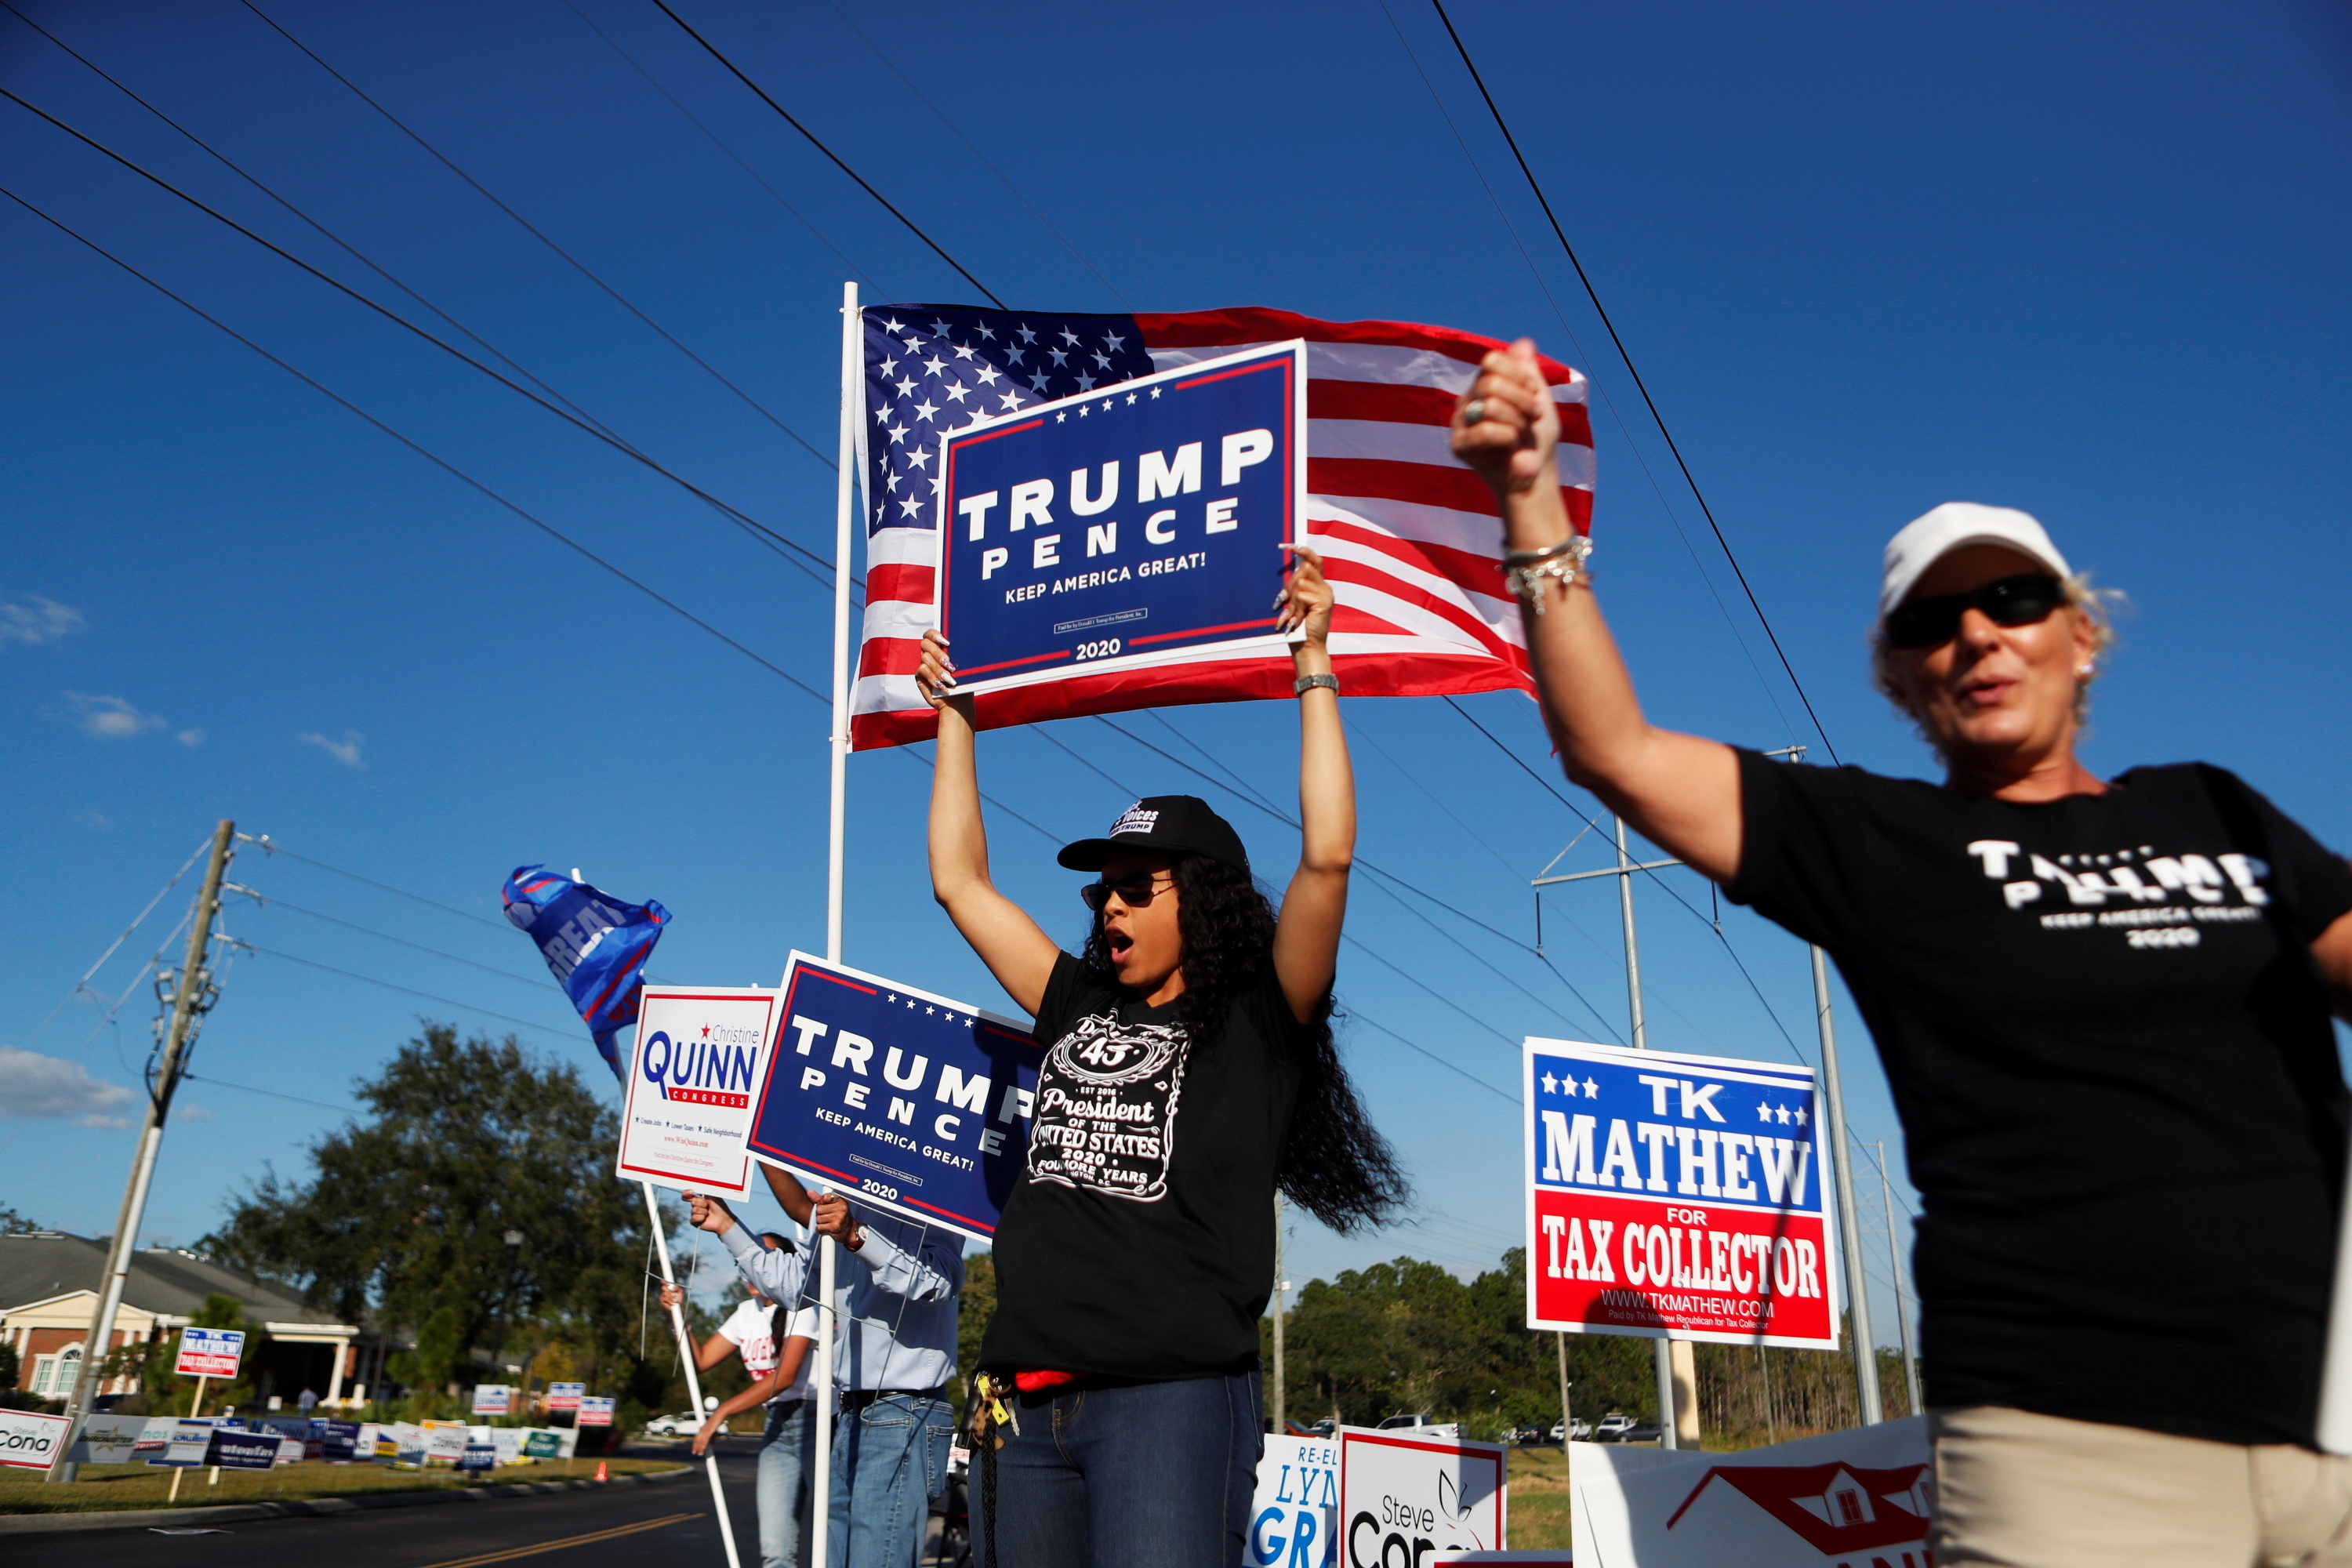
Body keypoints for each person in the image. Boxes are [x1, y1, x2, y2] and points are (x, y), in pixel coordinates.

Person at [1450, 338, 2352, 1567]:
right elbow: (1616, 751)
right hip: (2073, 1450)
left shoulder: (2216, 808)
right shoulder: (1883, 842)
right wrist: (1529, 503)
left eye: (2015, 602)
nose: (1978, 634)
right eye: (1934, 622)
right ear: (1899, 678)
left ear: (2081, 635)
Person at [914, 543, 1406, 1567]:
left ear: (1208, 900)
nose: (1113, 906)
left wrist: (1313, 663)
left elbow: (1328, 855)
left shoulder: (1262, 1018)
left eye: (1141, 886)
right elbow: (960, 884)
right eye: (1105, 891)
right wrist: (956, 717)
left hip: (1170, 1404)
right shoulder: (1076, 998)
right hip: (1024, 1403)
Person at [690, 1166, 962, 1568]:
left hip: (906, 1409)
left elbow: (939, 1281)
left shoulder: (930, 1191)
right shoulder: (841, 1203)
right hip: (848, 1412)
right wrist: (726, 1225)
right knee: (831, 1556)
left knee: (875, 1560)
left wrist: (858, 1236)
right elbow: (794, 1287)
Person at [661, 1231, 820, 1568]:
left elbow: (784, 1377)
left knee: (831, 1532)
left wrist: (722, 1413)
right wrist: (679, 1318)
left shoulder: (803, 1302)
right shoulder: (745, 1313)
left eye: (765, 1257)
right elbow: (701, 1361)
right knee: (775, 1549)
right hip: (777, 1425)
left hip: (818, 1421)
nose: (753, 1267)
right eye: (748, 1258)